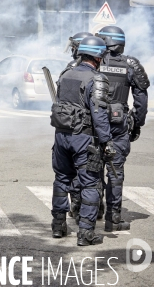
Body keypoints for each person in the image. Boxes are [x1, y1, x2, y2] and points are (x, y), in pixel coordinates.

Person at [50, 35, 115, 246]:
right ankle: (85, 233)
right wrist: (106, 142)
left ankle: (58, 226)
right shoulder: (97, 79)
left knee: (62, 179)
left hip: (61, 136)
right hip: (83, 138)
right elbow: (99, 113)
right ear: (98, 56)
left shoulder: (66, 73)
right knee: (91, 184)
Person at [95, 26, 149, 232]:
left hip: (95, 124)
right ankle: (113, 218)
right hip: (118, 126)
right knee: (116, 172)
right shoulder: (131, 64)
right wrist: (137, 124)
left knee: (93, 167)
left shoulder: (95, 62)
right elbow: (141, 100)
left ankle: (94, 210)